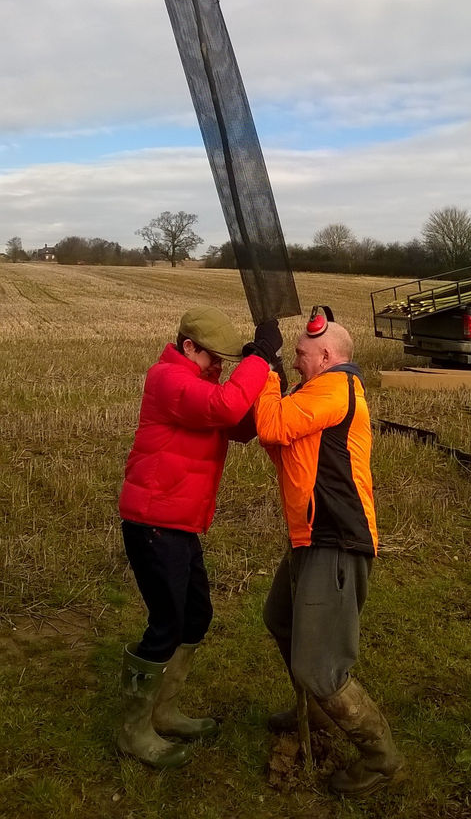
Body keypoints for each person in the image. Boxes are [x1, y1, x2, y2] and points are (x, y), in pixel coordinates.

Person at [117, 305, 282, 769]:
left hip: (180, 522)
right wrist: (259, 359)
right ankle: (134, 730)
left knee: (196, 615)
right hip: (153, 520)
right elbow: (224, 406)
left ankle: (163, 710)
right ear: (189, 347)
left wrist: (270, 378)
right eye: (215, 359)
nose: (220, 368)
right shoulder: (167, 379)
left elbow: (243, 426)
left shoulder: (202, 384)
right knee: (166, 623)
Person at [254, 317, 404, 798]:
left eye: (300, 353)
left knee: (322, 667)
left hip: (336, 539)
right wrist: (270, 376)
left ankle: (381, 759)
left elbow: (272, 422)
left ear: (327, 358)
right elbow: (274, 438)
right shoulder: (315, 392)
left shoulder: (337, 386)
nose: (296, 358)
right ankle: (318, 710)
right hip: (311, 535)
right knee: (279, 617)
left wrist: (265, 368)